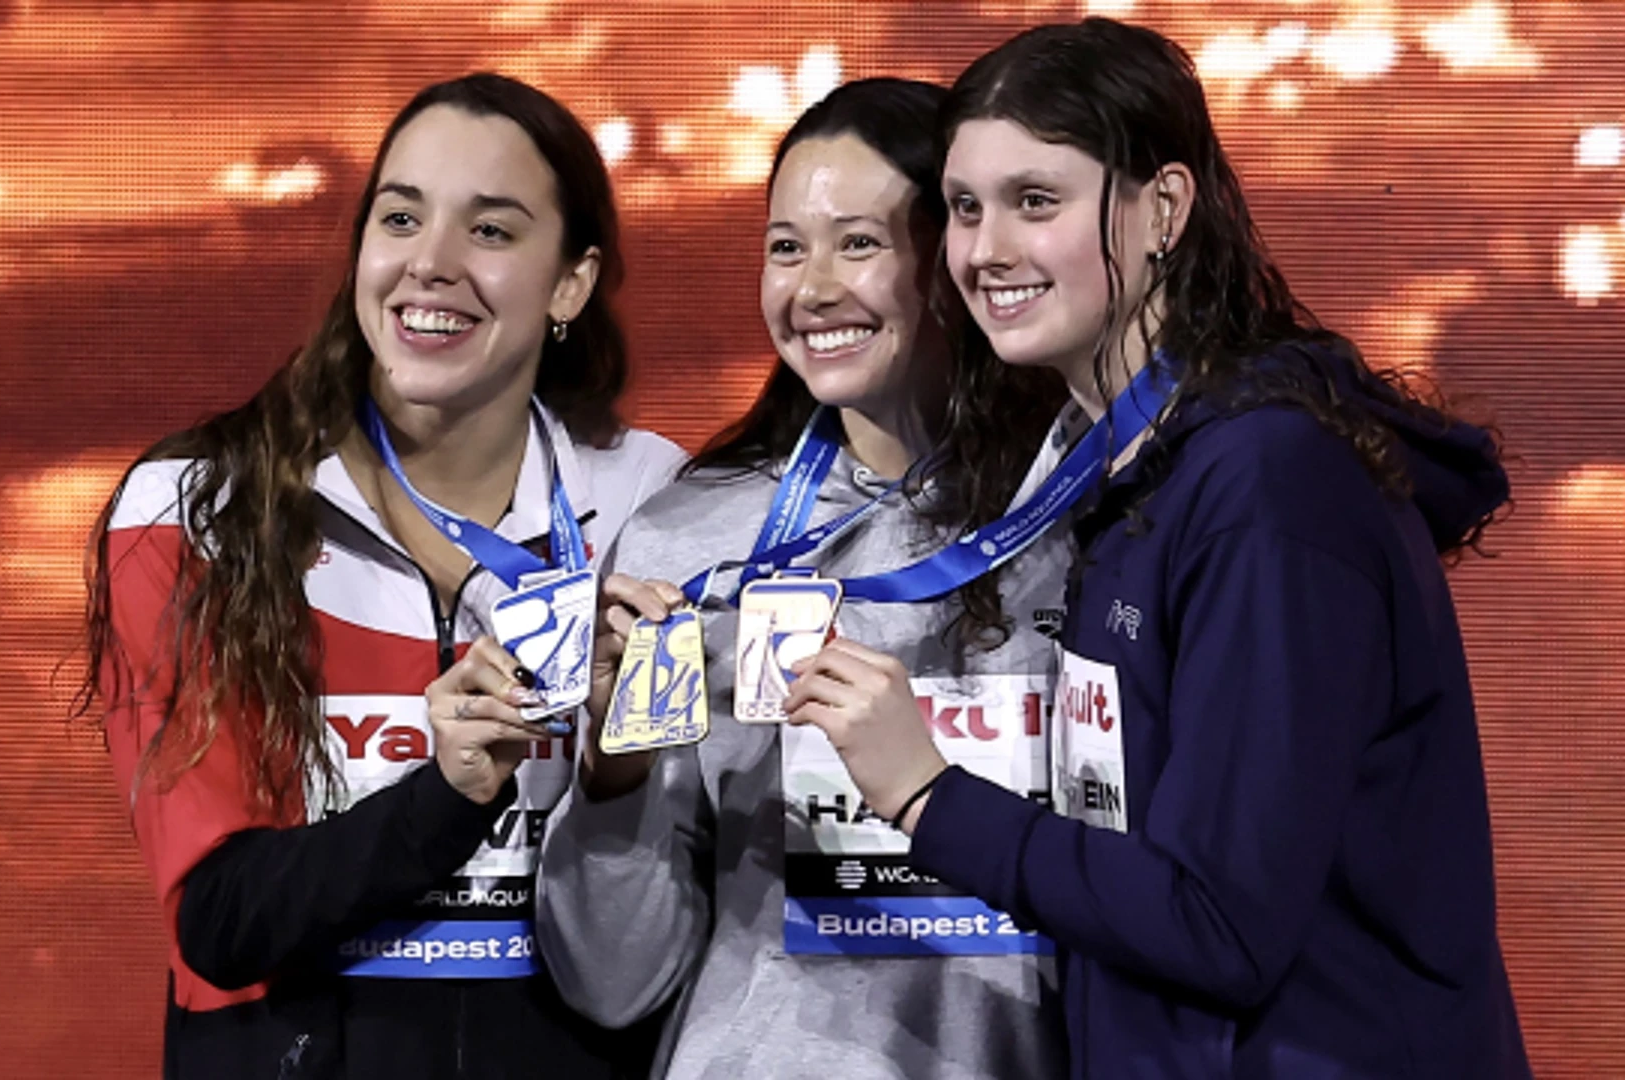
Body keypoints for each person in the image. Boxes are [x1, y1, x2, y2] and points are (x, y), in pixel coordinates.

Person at [798, 19, 1533, 1079]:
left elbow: (1219, 923)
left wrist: (927, 795)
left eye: (1035, 201)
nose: (984, 250)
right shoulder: (1135, 461)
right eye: (964, 209)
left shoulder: (1268, 485)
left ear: (1166, 210)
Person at [79, 73, 684, 1079]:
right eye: (401, 217)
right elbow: (223, 921)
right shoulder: (197, 507)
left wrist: (621, 767)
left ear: (570, 283)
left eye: (491, 231)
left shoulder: (657, 507)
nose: (431, 264)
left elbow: (644, 953)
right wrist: (444, 796)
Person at [499, 78, 1070, 1079]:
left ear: (957, 259)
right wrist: (616, 772)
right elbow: (614, 978)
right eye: (784, 247)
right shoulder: (691, 543)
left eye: (858, 242)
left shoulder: (1088, 520)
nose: (810, 290)